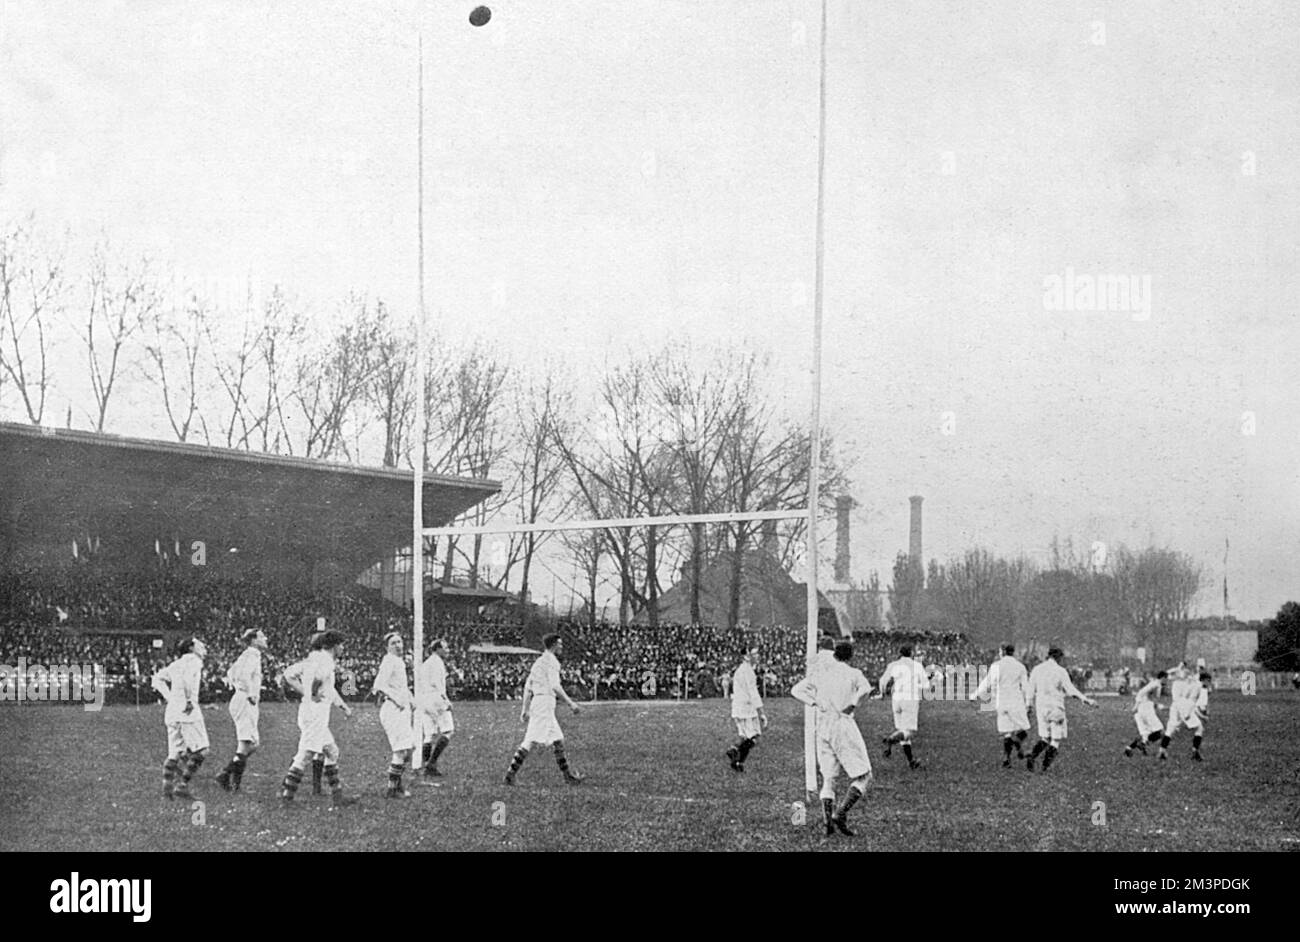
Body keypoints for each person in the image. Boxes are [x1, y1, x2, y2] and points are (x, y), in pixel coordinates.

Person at [791, 640, 874, 837]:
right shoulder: (854, 673)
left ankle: (827, 821)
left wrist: (813, 703)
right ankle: (840, 814)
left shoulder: (821, 674)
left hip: (823, 725)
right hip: (842, 723)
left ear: (834, 655)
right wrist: (853, 704)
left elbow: (796, 690)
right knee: (864, 775)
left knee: (829, 777)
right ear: (850, 656)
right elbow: (866, 689)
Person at [279, 630, 357, 806]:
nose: (343, 648)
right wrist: (312, 691)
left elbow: (289, 674)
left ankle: (338, 797)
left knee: (332, 751)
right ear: (335, 646)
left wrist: (342, 705)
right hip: (315, 714)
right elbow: (319, 679)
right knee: (305, 754)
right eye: (342, 645)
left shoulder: (313, 659)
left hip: (311, 712)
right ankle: (287, 797)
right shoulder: (326, 661)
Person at [504, 634, 583, 785]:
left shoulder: (538, 662)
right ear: (553, 645)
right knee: (530, 741)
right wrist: (570, 703)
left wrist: (525, 709)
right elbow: (555, 685)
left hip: (538, 703)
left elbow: (528, 687)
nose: (561, 646)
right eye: (559, 644)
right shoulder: (552, 661)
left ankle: (568, 776)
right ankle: (509, 775)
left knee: (558, 739)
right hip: (545, 703)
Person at [151, 636, 209, 800]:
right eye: (201, 645)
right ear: (191, 648)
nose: (204, 648)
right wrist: (190, 700)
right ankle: (182, 785)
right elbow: (188, 680)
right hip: (187, 712)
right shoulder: (195, 662)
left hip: (172, 712)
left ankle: (167, 790)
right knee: (202, 750)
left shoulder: (175, 664)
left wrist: (169, 697)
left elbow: (156, 679)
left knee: (174, 753)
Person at [1025, 646, 1097, 772]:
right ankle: (1044, 767)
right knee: (1055, 739)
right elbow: (1071, 690)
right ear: (1059, 657)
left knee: (1045, 738)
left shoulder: (1037, 669)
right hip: (1056, 706)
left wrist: (1029, 705)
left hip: (1041, 707)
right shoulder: (1060, 671)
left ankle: (1032, 756)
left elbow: (1030, 690)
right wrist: (1086, 700)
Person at [216, 629, 267, 791]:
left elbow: (231, 673)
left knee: (251, 744)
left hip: (241, 698)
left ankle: (232, 781)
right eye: (261, 636)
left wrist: (236, 686)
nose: (265, 638)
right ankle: (226, 775)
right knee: (248, 743)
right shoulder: (252, 655)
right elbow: (244, 675)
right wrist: (250, 693)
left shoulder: (247, 655)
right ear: (253, 640)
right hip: (245, 700)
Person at [968, 643, 1031, 767]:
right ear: (1013, 652)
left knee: (1007, 731)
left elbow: (987, 683)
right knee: (1023, 728)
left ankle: (1006, 759)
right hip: (1016, 701)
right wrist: (1029, 703)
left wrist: (974, 695)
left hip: (1001, 702)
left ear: (1002, 651)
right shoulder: (1020, 666)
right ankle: (1017, 744)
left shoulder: (996, 666)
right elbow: (1025, 687)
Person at [373, 631, 416, 798]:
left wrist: (410, 699)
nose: (398, 645)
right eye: (393, 643)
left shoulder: (398, 661)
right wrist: (396, 700)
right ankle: (392, 789)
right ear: (387, 647)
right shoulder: (388, 661)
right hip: (393, 710)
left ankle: (397, 784)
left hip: (402, 710)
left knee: (409, 748)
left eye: (400, 641)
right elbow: (379, 685)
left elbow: (401, 686)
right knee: (401, 751)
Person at [879, 644, 930, 769]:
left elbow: (882, 681)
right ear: (911, 653)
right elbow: (926, 686)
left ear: (900, 653)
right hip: (910, 698)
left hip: (896, 699)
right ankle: (891, 739)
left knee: (902, 730)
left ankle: (911, 760)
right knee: (909, 731)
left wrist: (882, 694)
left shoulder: (893, 665)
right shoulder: (917, 666)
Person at [417, 638, 455, 778]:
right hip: (435, 699)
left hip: (424, 700)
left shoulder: (425, 663)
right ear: (437, 649)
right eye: (445, 648)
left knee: (429, 734)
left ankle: (426, 765)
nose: (447, 650)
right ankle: (431, 764)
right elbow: (437, 684)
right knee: (448, 731)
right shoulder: (438, 663)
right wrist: (446, 700)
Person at [727, 645, 767, 773]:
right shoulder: (748, 672)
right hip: (747, 708)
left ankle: (737, 759)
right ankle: (735, 755)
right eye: (754, 654)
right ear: (746, 656)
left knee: (744, 737)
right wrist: (761, 713)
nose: (757, 656)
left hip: (738, 706)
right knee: (754, 737)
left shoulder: (741, 670)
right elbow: (753, 692)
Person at [1158, 664, 1208, 762]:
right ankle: (1195, 752)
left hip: (1175, 706)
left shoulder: (1177, 681)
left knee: (1170, 730)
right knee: (1199, 728)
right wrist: (1200, 715)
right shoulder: (1193, 683)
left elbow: (1170, 673)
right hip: (1184, 706)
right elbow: (1192, 701)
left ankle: (1162, 751)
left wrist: (1179, 668)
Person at [1124, 671, 1167, 757]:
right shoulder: (1156, 684)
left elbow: (1148, 697)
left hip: (1144, 709)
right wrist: (1136, 705)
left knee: (1146, 734)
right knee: (1161, 732)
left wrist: (1158, 706)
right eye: (1166, 679)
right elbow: (1141, 692)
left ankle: (1129, 748)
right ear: (1163, 678)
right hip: (1146, 710)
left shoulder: (1155, 684)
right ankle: (1142, 744)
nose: (1167, 681)